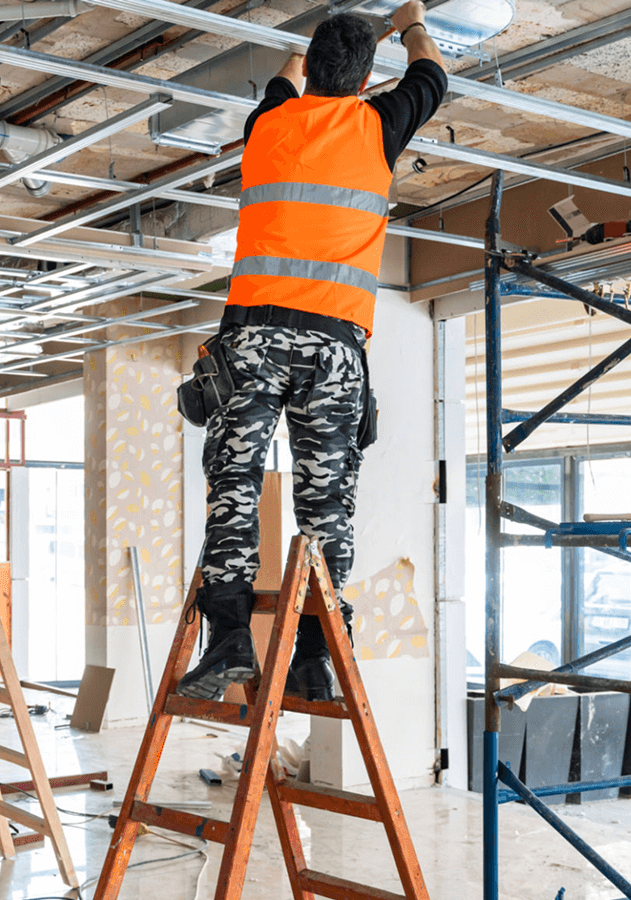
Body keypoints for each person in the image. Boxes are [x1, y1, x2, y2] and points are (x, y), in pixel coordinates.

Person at [178, 2, 447, 702]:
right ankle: (313, 652)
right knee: (326, 505)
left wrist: (328, 42)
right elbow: (432, 76)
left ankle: (231, 638)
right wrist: (408, 24)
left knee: (235, 484)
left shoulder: (268, 123)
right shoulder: (378, 125)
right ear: (364, 82)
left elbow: (287, 73)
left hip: (254, 340)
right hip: (333, 349)